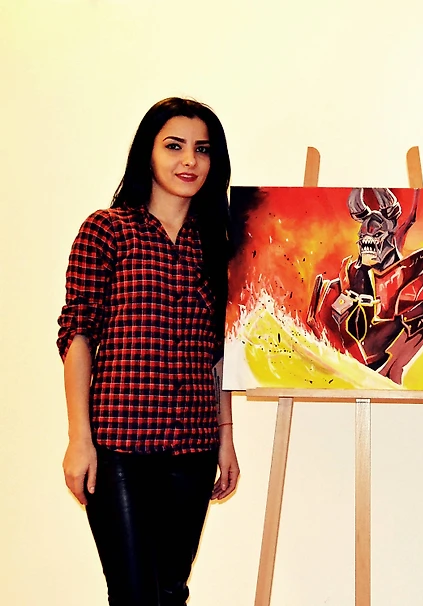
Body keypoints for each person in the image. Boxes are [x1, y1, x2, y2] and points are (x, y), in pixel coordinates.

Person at [57, 97, 240, 606]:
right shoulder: (107, 230)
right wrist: (79, 439)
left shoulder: (218, 246)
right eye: (174, 146)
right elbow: (77, 336)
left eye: (203, 149)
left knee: (170, 592)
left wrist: (225, 440)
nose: (189, 161)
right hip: (118, 447)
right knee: (134, 594)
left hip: (193, 449)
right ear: (148, 153)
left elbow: (220, 353)